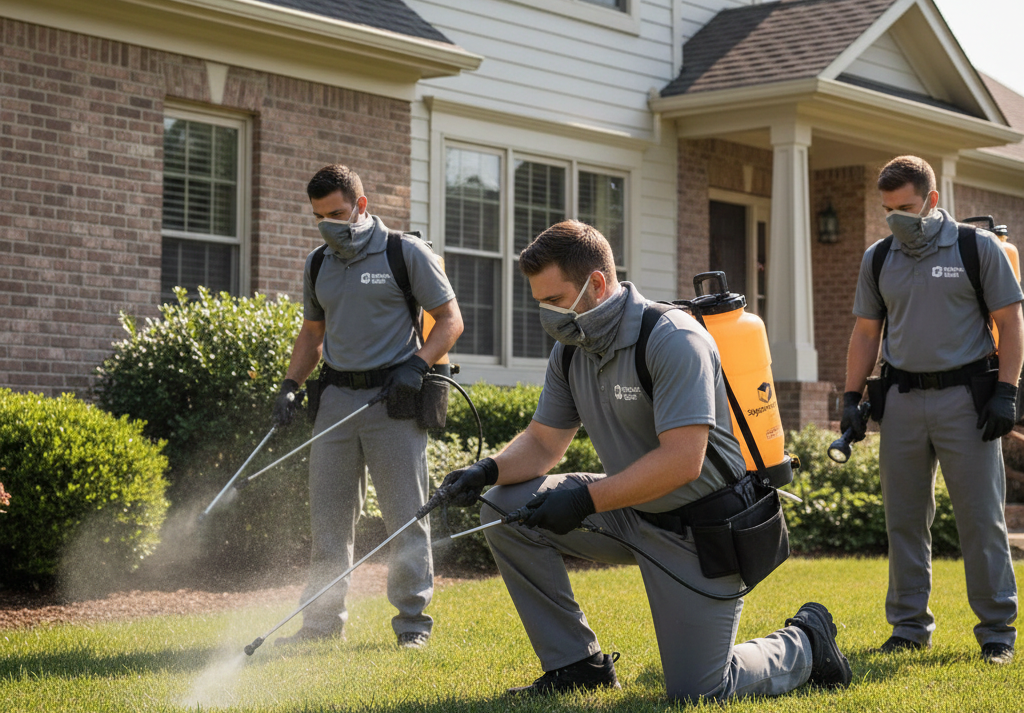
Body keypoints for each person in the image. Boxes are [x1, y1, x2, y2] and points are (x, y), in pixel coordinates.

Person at [439, 220, 850, 701]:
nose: (546, 314)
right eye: (540, 302)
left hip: (701, 531)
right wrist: (487, 471)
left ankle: (805, 641)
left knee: (700, 692)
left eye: (554, 300)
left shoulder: (672, 338)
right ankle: (577, 666)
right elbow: (543, 442)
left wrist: (584, 500)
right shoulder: (570, 352)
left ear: (596, 284)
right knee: (502, 508)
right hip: (631, 510)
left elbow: (682, 462)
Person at [273, 164, 463, 648]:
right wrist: (291, 383)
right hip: (335, 402)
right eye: (319, 217)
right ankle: (319, 626)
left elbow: (449, 320)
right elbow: (313, 334)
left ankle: (412, 626)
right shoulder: (318, 263)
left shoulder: (404, 252)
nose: (329, 224)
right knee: (329, 523)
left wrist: (418, 365)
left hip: (394, 401)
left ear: (361, 204)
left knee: (405, 520)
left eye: (337, 213)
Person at [842, 155, 1023, 663]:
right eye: (887, 210)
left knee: (980, 518)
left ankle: (996, 632)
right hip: (899, 402)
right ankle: (908, 626)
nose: (896, 218)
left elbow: (1011, 322)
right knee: (903, 519)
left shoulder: (975, 248)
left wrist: (1007, 390)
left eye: (906, 207)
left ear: (933, 200)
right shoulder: (879, 257)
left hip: (966, 401)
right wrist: (851, 398)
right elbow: (865, 332)